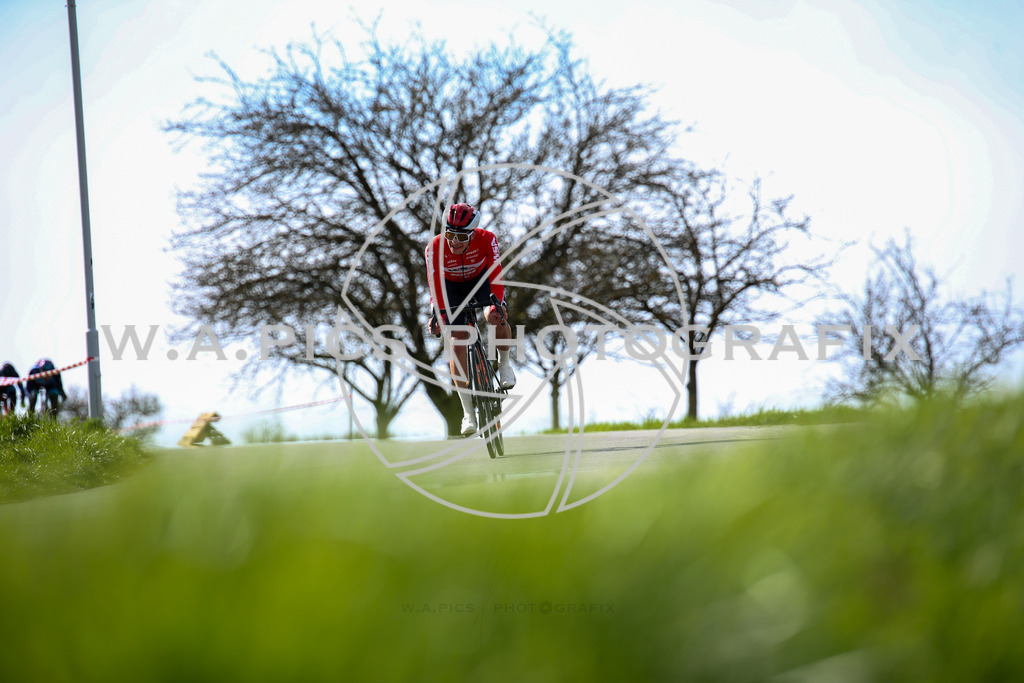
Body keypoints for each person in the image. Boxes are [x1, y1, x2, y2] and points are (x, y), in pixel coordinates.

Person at [425, 203, 516, 436]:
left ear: (473, 233)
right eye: (449, 234)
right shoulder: (434, 247)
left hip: (481, 281)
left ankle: (504, 364)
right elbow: (434, 283)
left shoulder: (487, 239)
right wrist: (438, 312)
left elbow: (496, 273)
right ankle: (468, 413)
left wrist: (497, 303)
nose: (453, 241)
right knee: (457, 338)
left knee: (496, 316)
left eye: (460, 236)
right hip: (450, 287)